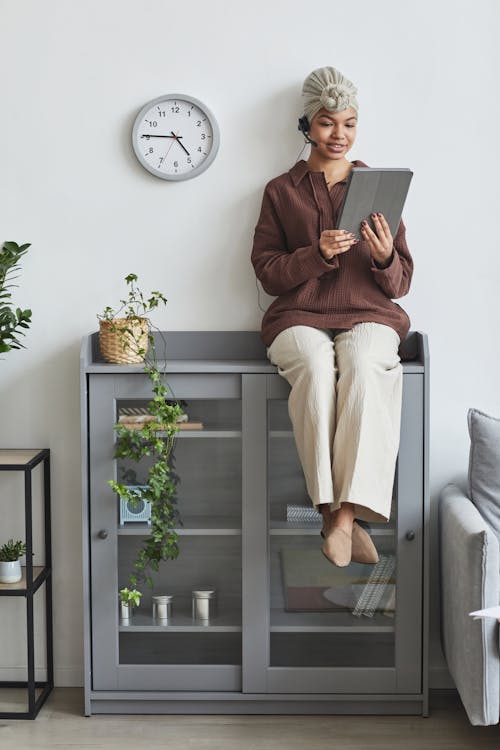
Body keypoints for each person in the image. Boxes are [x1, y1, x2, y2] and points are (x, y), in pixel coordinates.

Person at [251, 66, 414, 567]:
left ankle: (341, 519)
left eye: (348, 123)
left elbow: (402, 281)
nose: (338, 135)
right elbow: (267, 273)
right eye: (326, 123)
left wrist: (385, 256)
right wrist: (315, 254)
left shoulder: (380, 189)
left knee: (365, 367)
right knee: (318, 370)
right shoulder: (281, 191)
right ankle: (331, 512)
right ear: (306, 125)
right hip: (298, 314)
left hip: (369, 313)